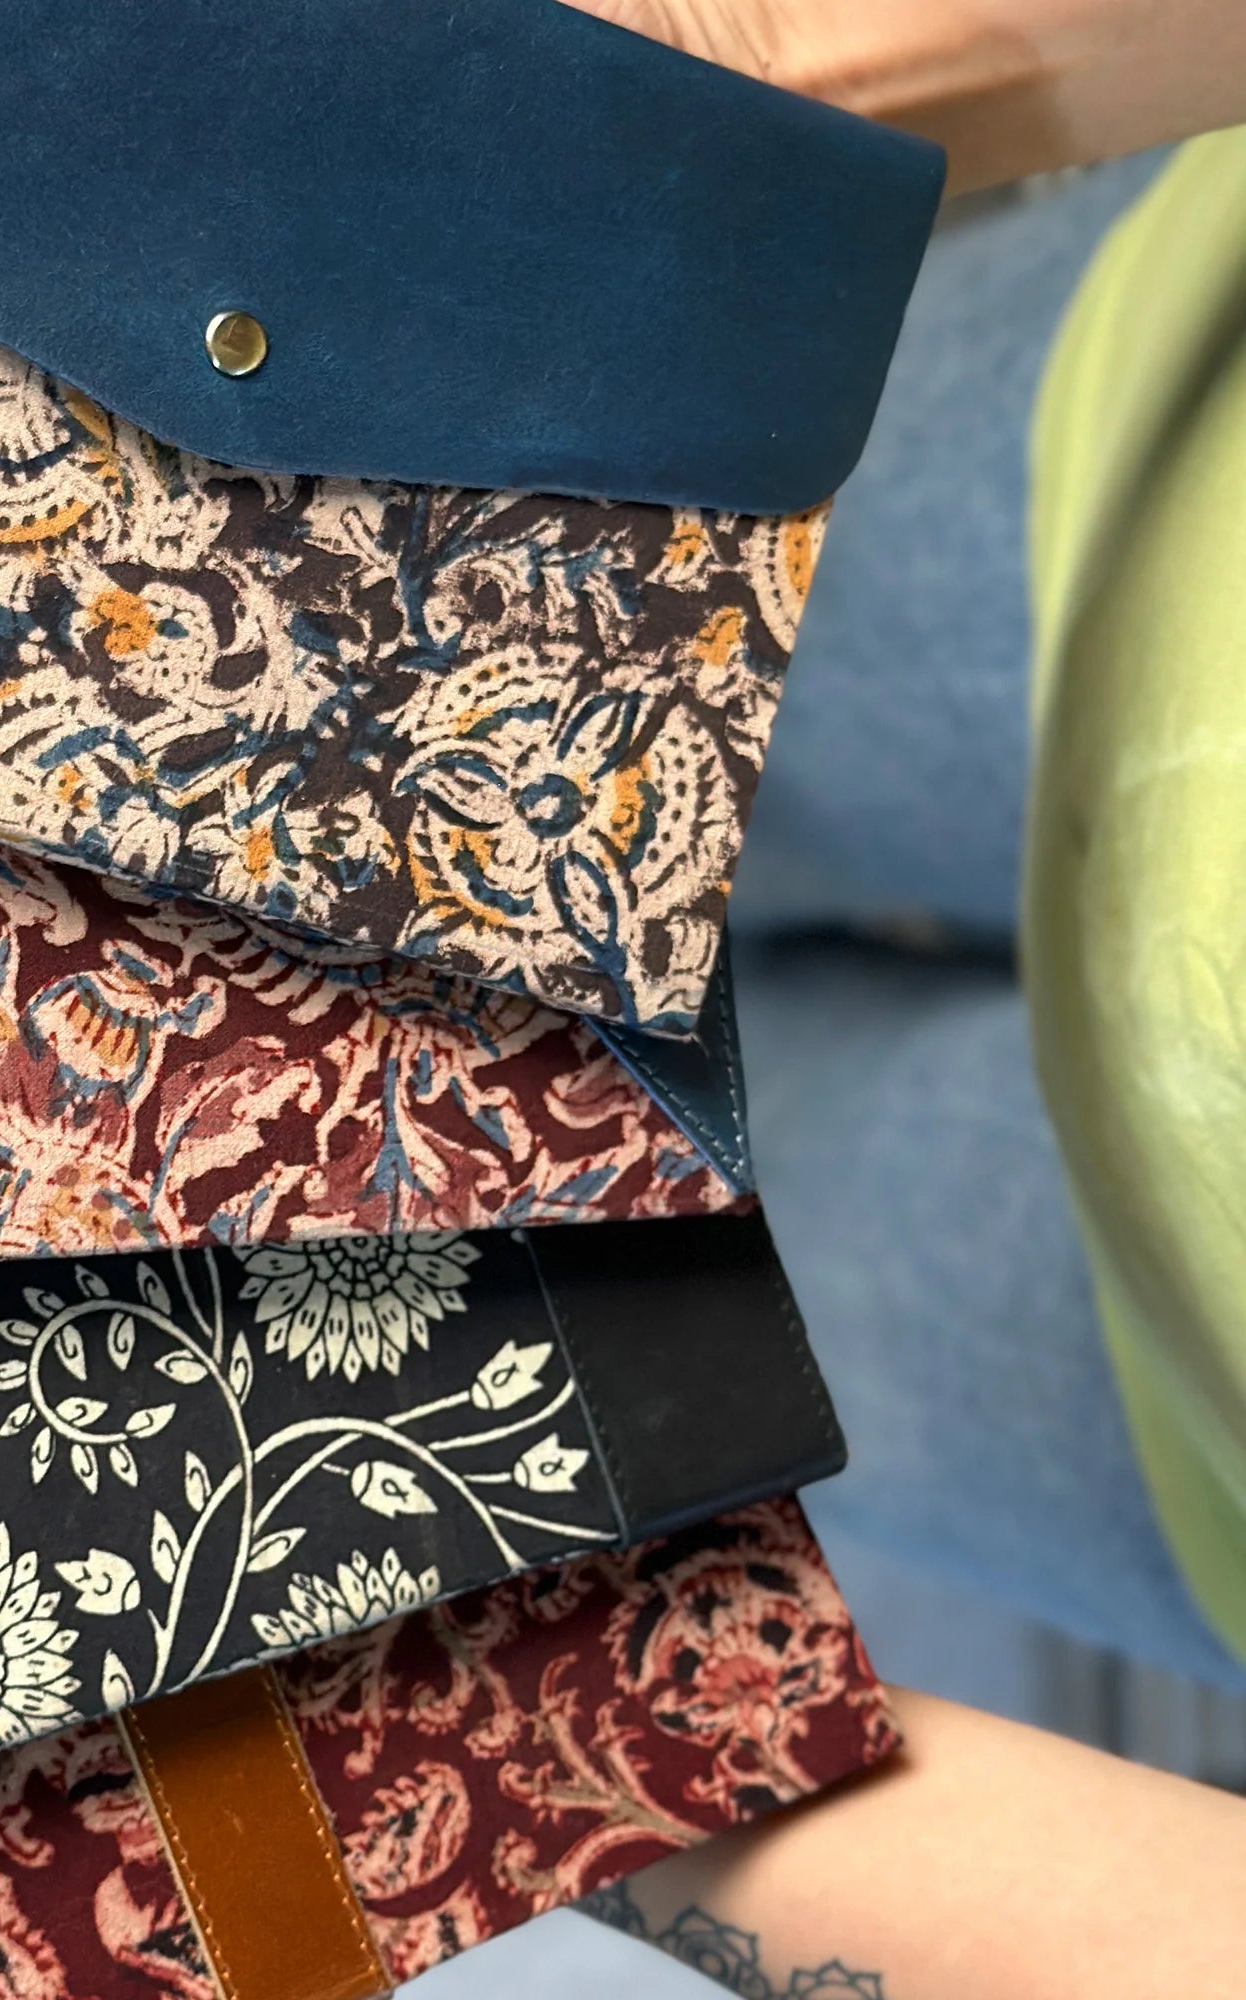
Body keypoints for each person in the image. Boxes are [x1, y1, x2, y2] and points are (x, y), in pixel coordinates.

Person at [553, 0, 1246, 1989]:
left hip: (1162, 1385)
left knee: (553, 1314)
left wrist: (496, 1738)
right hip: (1145, 475)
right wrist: (705, 82)